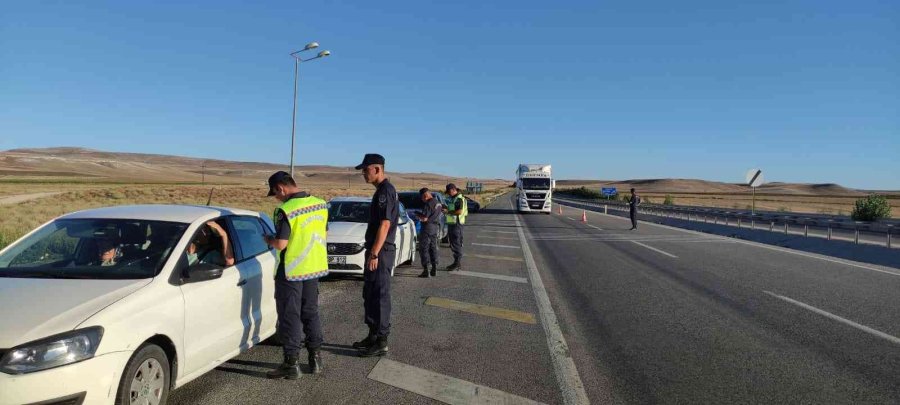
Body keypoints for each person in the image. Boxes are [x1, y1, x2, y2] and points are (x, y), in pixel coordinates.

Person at [263, 171, 329, 379]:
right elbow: (324, 233)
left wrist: (267, 239)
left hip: (291, 271)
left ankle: (291, 364)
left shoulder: (285, 210)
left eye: (275, 194)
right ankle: (315, 358)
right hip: (314, 267)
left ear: (280, 188)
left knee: (290, 316)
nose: (276, 198)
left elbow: (281, 244)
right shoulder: (321, 204)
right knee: (311, 312)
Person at [352, 153, 398, 357]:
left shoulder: (385, 192)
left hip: (381, 252)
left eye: (366, 169)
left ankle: (381, 340)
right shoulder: (381, 191)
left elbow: (385, 224)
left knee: (379, 295)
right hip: (376, 251)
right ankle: (372, 335)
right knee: (369, 293)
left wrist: (375, 253)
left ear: (377, 169)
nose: (363, 173)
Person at [415, 188, 441, 278]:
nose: (422, 200)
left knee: (424, 248)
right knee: (433, 248)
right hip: (435, 228)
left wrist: (418, 215)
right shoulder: (437, 202)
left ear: (425, 196)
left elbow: (425, 218)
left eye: (422, 198)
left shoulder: (428, 204)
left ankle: (426, 270)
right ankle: (434, 268)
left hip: (427, 228)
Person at [442, 183, 468, 271]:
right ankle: (457, 263)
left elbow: (459, 212)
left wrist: (447, 211)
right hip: (452, 223)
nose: (448, 194)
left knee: (456, 244)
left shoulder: (459, 199)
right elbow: (452, 209)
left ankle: (457, 263)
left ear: (453, 190)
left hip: (457, 224)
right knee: (453, 244)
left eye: (449, 192)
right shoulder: (453, 198)